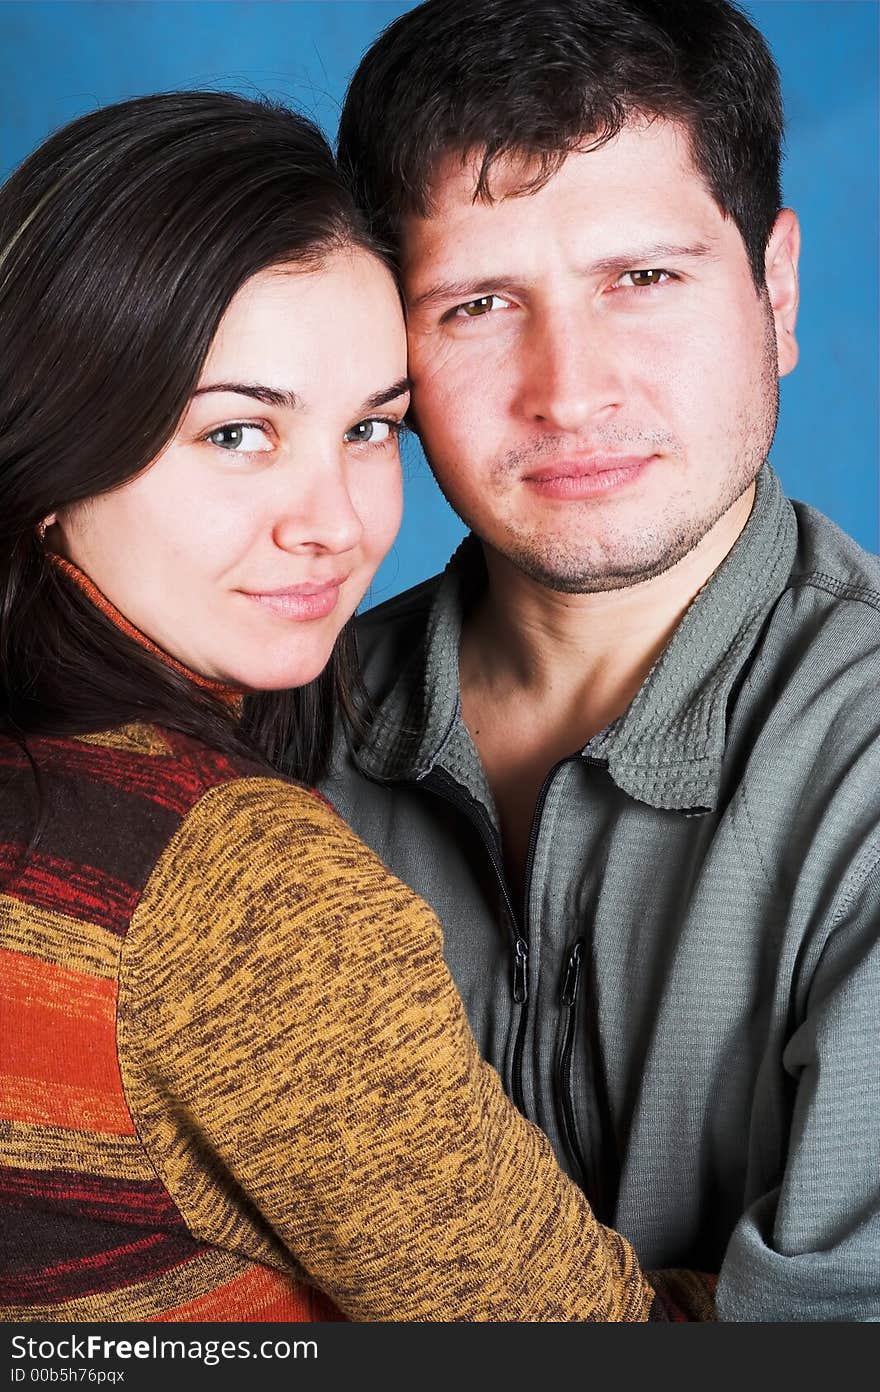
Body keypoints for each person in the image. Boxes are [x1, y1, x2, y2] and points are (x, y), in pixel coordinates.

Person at [0, 88, 719, 1324]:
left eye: (370, 428)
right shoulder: (237, 883)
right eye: (236, 434)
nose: (332, 523)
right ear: (56, 443)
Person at [322, 0, 880, 1321]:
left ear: (777, 289)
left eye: (644, 278)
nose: (568, 391)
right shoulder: (271, 722)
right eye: (476, 303)